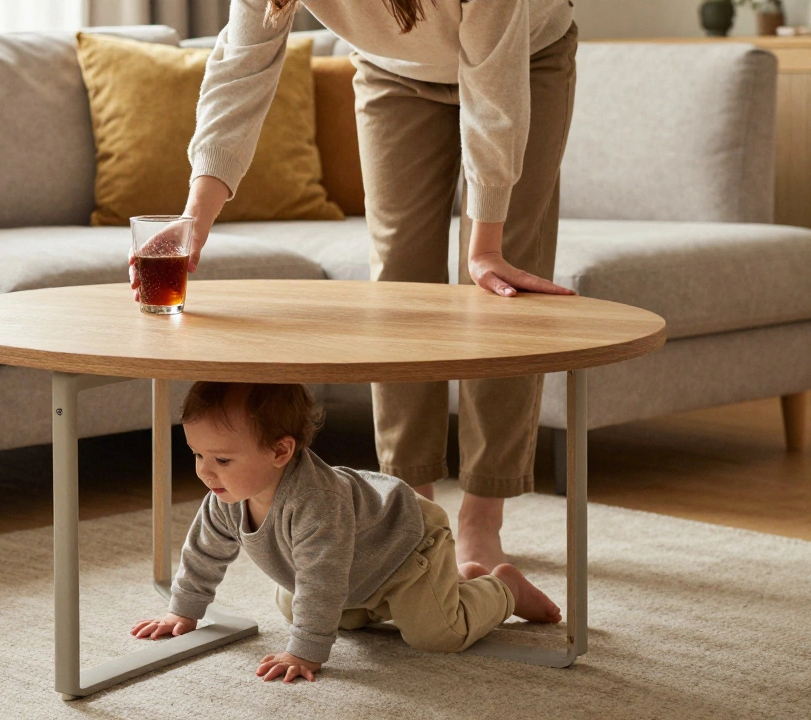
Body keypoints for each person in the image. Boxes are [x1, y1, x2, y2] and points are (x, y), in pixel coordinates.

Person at [129, 0, 579, 571]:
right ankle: (411, 513)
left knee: (501, 283)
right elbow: (242, 67)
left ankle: (481, 516)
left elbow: (494, 91)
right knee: (396, 287)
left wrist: (485, 244)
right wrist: (195, 217)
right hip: (393, 72)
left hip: (523, 58)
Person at [131, 382, 560, 683]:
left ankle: (503, 588)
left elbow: (322, 579)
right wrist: (183, 610)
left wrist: (305, 651)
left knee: (437, 636)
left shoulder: (316, 502)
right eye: (197, 454)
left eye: (221, 460)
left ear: (281, 451)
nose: (204, 471)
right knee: (296, 606)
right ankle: (451, 582)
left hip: (405, 549)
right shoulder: (225, 495)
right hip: (357, 569)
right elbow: (204, 553)